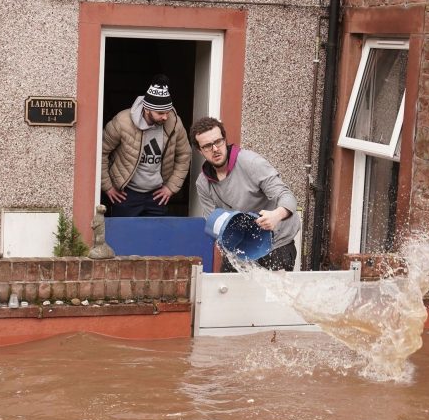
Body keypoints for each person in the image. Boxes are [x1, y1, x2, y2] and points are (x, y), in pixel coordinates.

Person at [192, 116, 300, 272]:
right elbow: (212, 220)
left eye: (218, 141)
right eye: (208, 146)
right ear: (199, 150)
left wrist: (276, 215)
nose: (215, 149)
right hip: (240, 246)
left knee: (273, 297)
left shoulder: (252, 163)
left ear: (225, 139)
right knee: (229, 294)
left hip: (276, 244)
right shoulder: (203, 183)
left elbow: (287, 196)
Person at [100, 74, 191, 217]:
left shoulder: (174, 123)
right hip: (126, 193)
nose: (165, 117)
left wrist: (170, 188)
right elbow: (101, 152)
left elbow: (184, 155)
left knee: (157, 237)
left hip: (157, 194)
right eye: (160, 113)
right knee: (123, 236)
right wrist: (108, 187)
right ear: (147, 109)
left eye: (167, 112)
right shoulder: (122, 122)